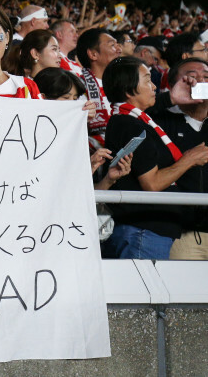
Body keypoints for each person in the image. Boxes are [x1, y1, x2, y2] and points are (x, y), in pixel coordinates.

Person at [101, 57, 208, 259]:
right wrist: (190, 159)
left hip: (148, 230)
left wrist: (171, 98)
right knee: (144, 291)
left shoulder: (136, 120)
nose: (153, 86)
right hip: (144, 230)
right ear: (129, 88)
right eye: (147, 80)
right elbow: (152, 184)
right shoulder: (130, 124)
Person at [34, 67, 131, 190]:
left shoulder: (75, 138)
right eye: (66, 98)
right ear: (43, 98)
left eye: (75, 99)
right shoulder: (31, 138)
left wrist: (108, 179)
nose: (73, 104)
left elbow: (75, 194)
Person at [153, 58, 208, 259]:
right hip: (181, 235)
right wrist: (169, 99)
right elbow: (126, 119)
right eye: (192, 77)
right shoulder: (159, 120)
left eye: (206, 77)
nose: (201, 82)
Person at [75, 28, 122, 148]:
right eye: (112, 45)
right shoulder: (78, 87)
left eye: (118, 45)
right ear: (93, 54)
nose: (119, 49)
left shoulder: (124, 84)